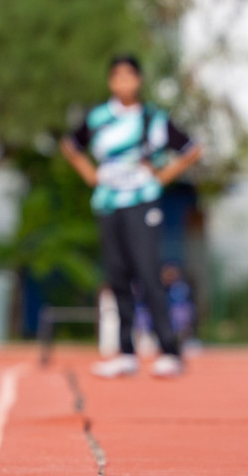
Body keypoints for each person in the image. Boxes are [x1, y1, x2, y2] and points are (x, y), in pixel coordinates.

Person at [62, 54, 202, 378]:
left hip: (142, 202)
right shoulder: (98, 118)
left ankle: (169, 350)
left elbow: (191, 149)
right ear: (110, 82)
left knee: (148, 274)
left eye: (130, 76)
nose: (124, 83)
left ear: (138, 80)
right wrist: (89, 173)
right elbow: (71, 145)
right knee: (117, 276)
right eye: (117, 77)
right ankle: (126, 352)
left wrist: (163, 176)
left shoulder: (154, 118)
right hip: (109, 203)